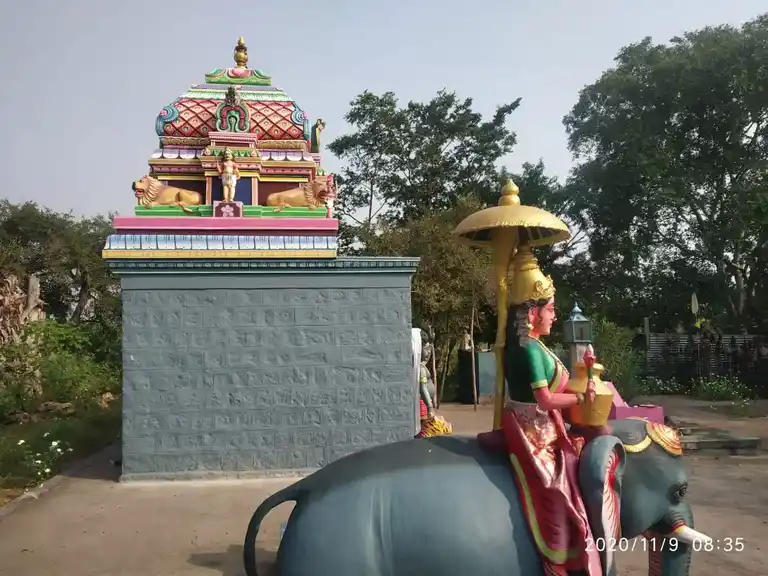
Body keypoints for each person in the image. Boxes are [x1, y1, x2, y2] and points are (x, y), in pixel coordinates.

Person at [480, 245, 603, 576]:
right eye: (550, 309)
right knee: (560, 485)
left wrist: (588, 372)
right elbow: (546, 400)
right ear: (533, 314)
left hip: (544, 424)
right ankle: (562, 554)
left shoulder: (535, 345)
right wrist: (582, 400)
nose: (554, 315)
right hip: (536, 431)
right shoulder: (530, 351)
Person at [411, 328, 452, 438]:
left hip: (423, 405)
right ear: (419, 349)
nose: (429, 352)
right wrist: (430, 407)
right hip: (423, 406)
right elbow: (423, 388)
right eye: (426, 349)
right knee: (425, 431)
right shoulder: (420, 369)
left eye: (430, 349)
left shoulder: (420, 367)